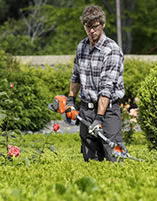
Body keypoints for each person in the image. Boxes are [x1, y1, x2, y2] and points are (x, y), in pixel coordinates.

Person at [65, 5, 125, 162]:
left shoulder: (111, 50)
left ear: (103, 25)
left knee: (114, 157)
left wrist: (99, 118)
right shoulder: (81, 47)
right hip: (86, 110)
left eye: (95, 26)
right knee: (90, 159)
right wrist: (70, 101)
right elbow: (76, 77)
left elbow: (106, 88)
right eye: (88, 27)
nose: (92, 31)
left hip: (108, 112)